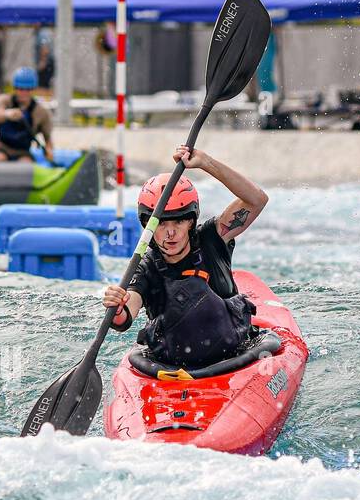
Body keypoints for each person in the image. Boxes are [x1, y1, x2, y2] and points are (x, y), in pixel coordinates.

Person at [102, 144, 268, 372]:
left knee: (196, 291)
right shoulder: (145, 266)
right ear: (148, 225)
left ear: (191, 221)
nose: (170, 233)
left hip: (233, 353)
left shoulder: (212, 238)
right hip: (173, 362)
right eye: (161, 223)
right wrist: (118, 309)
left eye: (178, 221)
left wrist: (206, 163)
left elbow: (256, 200)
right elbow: (125, 314)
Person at [0, 67, 54, 162]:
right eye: (20, 89)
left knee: (25, 165)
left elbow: (48, 138)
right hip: (2, 147)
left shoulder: (41, 112)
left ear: (33, 89)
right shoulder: (5, 100)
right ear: (15, 88)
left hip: (23, 151)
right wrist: (7, 114)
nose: (24, 93)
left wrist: (49, 151)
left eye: (27, 89)